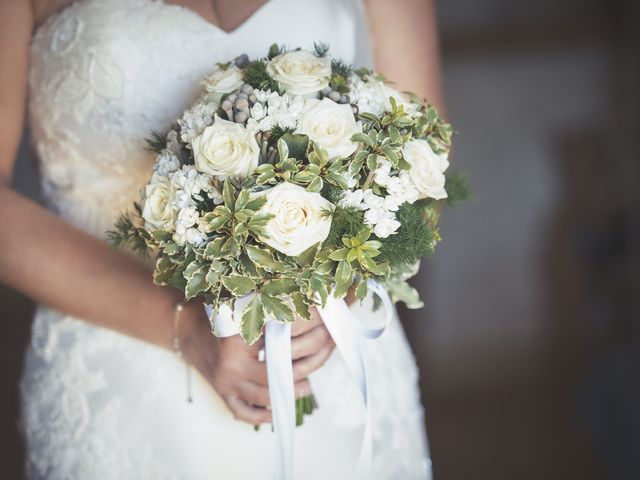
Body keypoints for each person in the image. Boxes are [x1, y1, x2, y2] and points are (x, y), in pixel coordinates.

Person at [0, 0, 444, 478]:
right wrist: (185, 326)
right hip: (120, 372)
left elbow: (424, 158)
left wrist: (336, 294)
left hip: (332, 363)